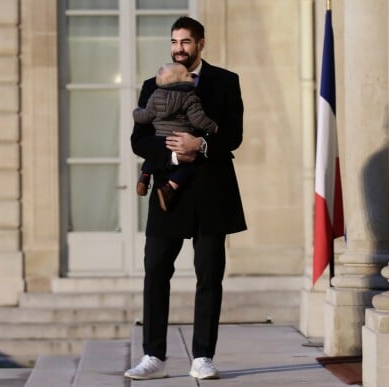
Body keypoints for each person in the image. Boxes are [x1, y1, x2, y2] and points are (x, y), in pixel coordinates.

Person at [124, 16, 246, 381]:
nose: (179, 48)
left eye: (186, 42)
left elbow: (234, 135)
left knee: (210, 275)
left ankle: (203, 357)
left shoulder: (226, 82)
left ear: (201, 43)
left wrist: (202, 144)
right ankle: (153, 357)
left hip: (212, 193)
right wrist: (175, 154)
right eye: (174, 41)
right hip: (167, 195)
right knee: (156, 272)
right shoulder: (153, 84)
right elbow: (139, 140)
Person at [133, 62, 218, 212]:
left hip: (161, 139)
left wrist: (136, 112)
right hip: (180, 140)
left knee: (153, 158)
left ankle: (145, 176)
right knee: (189, 166)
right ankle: (170, 187)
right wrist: (212, 127)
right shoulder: (189, 97)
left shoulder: (156, 95)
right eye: (186, 74)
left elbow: (146, 116)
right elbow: (198, 120)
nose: (190, 76)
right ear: (180, 80)